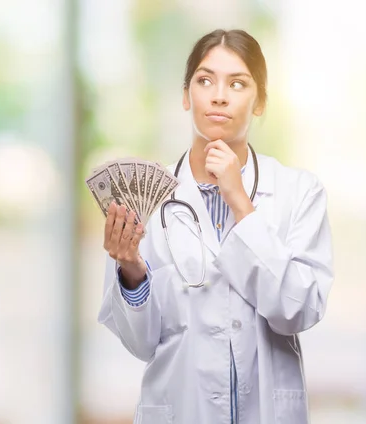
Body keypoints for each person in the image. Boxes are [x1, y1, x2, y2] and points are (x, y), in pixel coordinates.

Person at [97, 29, 334, 424]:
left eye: (238, 83)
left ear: (259, 102)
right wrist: (132, 272)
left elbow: (298, 311)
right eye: (205, 81)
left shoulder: (299, 192)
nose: (219, 95)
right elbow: (140, 344)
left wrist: (240, 203)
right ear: (186, 96)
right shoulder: (146, 201)